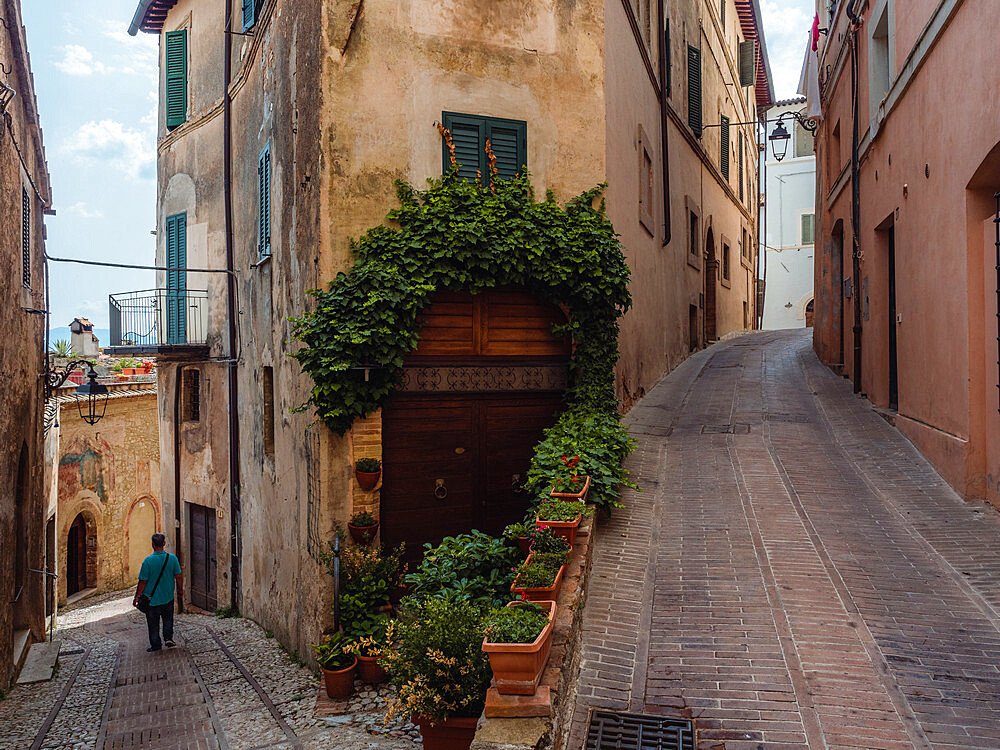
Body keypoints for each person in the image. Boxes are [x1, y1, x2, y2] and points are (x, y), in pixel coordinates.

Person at [133, 533, 183, 652]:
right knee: (168, 618)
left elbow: (143, 581)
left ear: (152, 545)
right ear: (164, 543)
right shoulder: (172, 558)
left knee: (153, 623)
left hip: (152, 599)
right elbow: (179, 576)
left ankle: (156, 644)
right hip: (167, 596)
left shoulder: (148, 561)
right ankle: (168, 638)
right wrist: (180, 590)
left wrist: (137, 597)